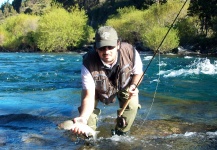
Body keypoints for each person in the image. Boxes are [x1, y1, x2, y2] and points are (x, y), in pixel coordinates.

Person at [72, 26, 143, 136]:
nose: (106, 51)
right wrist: (83, 118)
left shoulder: (131, 52)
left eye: (110, 47)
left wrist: (134, 85)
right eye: (102, 48)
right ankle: (89, 139)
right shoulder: (88, 63)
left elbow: (138, 73)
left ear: (118, 45)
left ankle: (121, 133)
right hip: (96, 89)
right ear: (96, 47)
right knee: (87, 117)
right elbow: (89, 96)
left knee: (132, 104)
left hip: (125, 84)